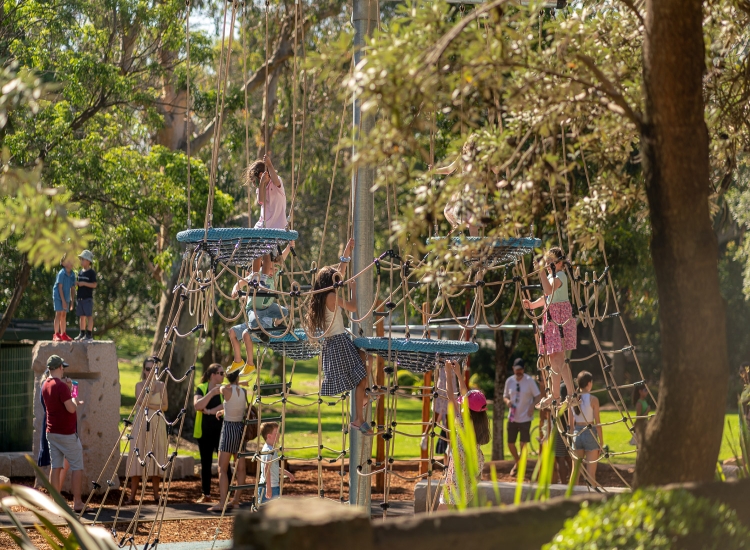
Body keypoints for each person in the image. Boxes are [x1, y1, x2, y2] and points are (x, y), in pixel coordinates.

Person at [304, 238, 381, 436]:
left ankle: (362, 399)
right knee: (361, 376)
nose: (339, 281)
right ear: (330, 282)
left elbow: (340, 272)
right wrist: (354, 291)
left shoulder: (322, 295)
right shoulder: (330, 296)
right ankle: (358, 418)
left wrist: (346, 252)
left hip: (335, 344)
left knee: (367, 360)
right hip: (338, 343)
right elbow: (353, 307)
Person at [227, 242, 294, 376]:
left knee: (285, 311)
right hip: (254, 311)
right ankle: (239, 360)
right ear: (263, 268)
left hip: (268, 309)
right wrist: (235, 291)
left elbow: (283, 257)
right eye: (271, 268)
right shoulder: (254, 278)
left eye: (275, 268)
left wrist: (289, 246)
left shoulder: (274, 275)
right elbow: (239, 283)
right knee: (233, 332)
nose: (274, 270)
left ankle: (275, 325)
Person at [522, 247, 577, 410]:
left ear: (559, 263)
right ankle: (562, 395)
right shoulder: (552, 276)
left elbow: (548, 290)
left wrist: (539, 272)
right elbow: (546, 297)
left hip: (559, 320)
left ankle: (563, 394)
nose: (547, 265)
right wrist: (533, 304)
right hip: (553, 318)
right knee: (556, 359)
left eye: (550, 262)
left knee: (558, 359)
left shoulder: (560, 276)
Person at [438, 360, 489, 509]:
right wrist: (459, 374)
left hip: (458, 470)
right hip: (471, 467)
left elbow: (450, 396)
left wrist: (448, 373)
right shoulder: (480, 422)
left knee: (442, 509)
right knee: (457, 507)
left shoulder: (462, 422)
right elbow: (465, 394)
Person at [41, 355, 85, 512]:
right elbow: (71, 408)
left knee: (56, 466)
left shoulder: (45, 384)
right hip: (66, 433)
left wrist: (70, 395)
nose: (64, 370)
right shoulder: (60, 386)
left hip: (51, 431)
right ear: (59, 368)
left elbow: (62, 404)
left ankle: (55, 501)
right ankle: (78, 502)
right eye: (63, 367)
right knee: (77, 466)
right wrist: (72, 390)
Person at [125, 357, 168, 504]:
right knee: (138, 455)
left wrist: (151, 405)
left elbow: (166, 406)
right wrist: (155, 405)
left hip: (158, 424)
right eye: (148, 369)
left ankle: (156, 495)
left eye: (154, 369)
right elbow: (141, 402)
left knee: (156, 455)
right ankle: (132, 496)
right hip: (141, 424)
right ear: (144, 370)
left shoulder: (162, 385)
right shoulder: (139, 385)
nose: (150, 372)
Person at [208, 370, 248, 512]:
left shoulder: (225, 389)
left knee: (222, 468)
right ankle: (236, 501)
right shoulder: (243, 391)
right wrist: (223, 411)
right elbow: (235, 406)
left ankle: (222, 502)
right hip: (240, 428)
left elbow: (216, 389)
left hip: (229, 428)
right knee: (241, 468)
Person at [433, 136, 482, 237]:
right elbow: (449, 169)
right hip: (462, 191)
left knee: (473, 224)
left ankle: (476, 247)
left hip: (473, 192)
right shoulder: (462, 158)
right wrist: (435, 170)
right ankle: (456, 227)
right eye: (469, 146)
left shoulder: (480, 159)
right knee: (448, 211)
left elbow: (494, 169)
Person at [193, 363, 226, 503]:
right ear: (213, 375)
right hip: (204, 432)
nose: (224, 375)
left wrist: (210, 412)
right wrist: (211, 393)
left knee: (224, 464)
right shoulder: (201, 388)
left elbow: (225, 405)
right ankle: (206, 494)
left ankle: (226, 495)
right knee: (205, 464)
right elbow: (197, 406)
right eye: (221, 373)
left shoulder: (225, 389)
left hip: (221, 432)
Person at [503, 358, 541, 477]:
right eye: (517, 369)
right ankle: (518, 462)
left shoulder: (529, 381)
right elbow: (505, 396)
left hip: (525, 418)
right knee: (510, 443)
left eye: (521, 369)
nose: (519, 372)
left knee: (523, 444)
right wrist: (507, 402)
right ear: (513, 369)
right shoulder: (509, 381)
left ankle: (518, 465)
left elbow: (538, 396)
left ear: (523, 369)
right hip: (512, 417)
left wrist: (532, 406)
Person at [37, 368, 70, 488]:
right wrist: (68, 389)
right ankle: (55, 498)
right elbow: (67, 406)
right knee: (59, 465)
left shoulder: (49, 387)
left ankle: (56, 497)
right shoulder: (50, 388)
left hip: (58, 427)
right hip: (55, 428)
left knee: (62, 464)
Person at [570, 371, 602, 486]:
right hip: (589, 432)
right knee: (591, 474)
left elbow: (571, 423)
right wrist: (601, 442)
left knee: (575, 472)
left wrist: (571, 438)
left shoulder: (572, 399)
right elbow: (598, 423)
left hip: (577, 433)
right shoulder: (593, 399)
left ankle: (570, 498)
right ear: (589, 383)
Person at [258, 422, 295, 503]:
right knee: (266, 511)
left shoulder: (271, 449)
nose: (279, 434)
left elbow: (273, 467)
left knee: (271, 512)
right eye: (276, 433)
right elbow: (266, 468)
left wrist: (288, 474)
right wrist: (268, 488)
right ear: (269, 436)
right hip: (269, 487)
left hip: (273, 486)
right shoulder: (268, 450)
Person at [74, 250, 97, 341]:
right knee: (81, 316)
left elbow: (94, 285)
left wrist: (84, 283)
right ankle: (82, 333)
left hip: (87, 298)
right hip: (80, 298)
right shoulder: (80, 272)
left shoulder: (91, 273)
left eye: (82, 259)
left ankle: (89, 334)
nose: (81, 261)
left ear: (88, 261)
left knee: (89, 316)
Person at [52, 257, 76, 342]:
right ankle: (56, 334)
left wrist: (72, 302)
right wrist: (62, 301)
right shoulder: (61, 273)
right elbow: (59, 287)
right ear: (63, 263)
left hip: (66, 296)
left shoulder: (73, 274)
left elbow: (72, 288)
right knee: (58, 313)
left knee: (64, 315)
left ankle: (63, 334)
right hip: (58, 296)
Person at [553, 382, 572, 484]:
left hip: (559, 431)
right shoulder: (572, 403)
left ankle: (564, 482)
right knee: (569, 458)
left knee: (560, 458)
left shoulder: (557, 404)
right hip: (570, 431)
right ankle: (573, 480)